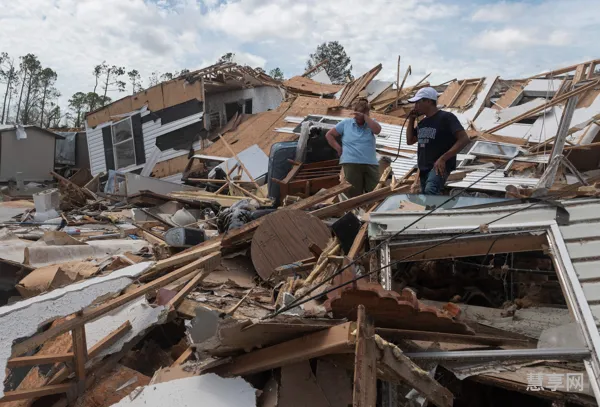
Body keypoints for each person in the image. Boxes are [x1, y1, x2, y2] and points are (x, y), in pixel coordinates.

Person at [406, 87, 469, 195]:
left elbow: (464, 139)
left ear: (429, 101)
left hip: (438, 166)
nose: (415, 106)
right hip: (424, 167)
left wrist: (443, 158)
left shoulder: (446, 118)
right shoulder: (423, 123)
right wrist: (411, 119)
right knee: (427, 196)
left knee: (430, 191)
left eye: (418, 102)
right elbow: (410, 140)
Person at [326, 98, 382, 197]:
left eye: (360, 115)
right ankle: (353, 212)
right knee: (353, 193)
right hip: (351, 162)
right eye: (355, 114)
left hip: (370, 162)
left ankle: (370, 210)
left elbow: (377, 130)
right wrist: (338, 148)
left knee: (375, 192)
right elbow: (329, 135)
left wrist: (365, 117)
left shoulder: (371, 123)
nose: (357, 117)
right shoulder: (346, 123)